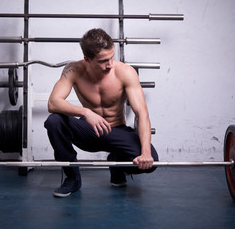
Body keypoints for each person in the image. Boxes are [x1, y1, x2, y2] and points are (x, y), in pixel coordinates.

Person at [44, 28, 159, 197]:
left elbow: (142, 114)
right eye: (103, 60)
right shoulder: (74, 70)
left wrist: (146, 153)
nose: (110, 64)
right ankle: (72, 178)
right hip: (89, 131)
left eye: (112, 57)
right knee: (54, 121)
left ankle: (117, 161)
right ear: (87, 59)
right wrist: (85, 113)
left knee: (152, 162)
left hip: (117, 131)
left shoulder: (125, 72)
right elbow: (53, 103)